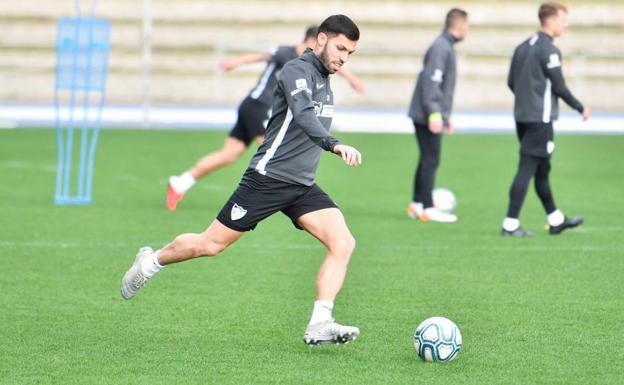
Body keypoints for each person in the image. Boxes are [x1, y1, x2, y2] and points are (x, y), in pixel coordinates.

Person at [122, 15, 363, 346]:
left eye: (350, 53)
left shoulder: (325, 79)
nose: (343, 58)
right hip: (268, 178)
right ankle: (150, 262)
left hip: (302, 186)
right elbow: (305, 116)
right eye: (340, 48)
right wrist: (334, 144)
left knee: (343, 243)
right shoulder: (296, 70)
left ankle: (320, 323)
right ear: (321, 39)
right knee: (210, 244)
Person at [166, 26, 365, 211]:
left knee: (228, 155)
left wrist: (353, 80)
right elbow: (259, 56)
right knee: (280, 152)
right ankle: (312, 200)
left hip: (253, 108)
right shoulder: (287, 54)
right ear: (315, 40)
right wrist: (235, 62)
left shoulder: (313, 64)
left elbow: (336, 65)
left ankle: (180, 182)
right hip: (258, 107)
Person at [502, 2, 589, 237]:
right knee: (527, 167)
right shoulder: (549, 50)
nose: (566, 25)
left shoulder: (521, 47)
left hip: (522, 116)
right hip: (540, 120)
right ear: (550, 20)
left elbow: (512, 82)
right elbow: (559, 86)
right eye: (563, 20)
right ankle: (510, 224)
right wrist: (579, 107)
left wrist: (526, 100)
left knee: (542, 168)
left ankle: (555, 219)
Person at [406, 8, 469, 223]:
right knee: (431, 160)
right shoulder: (441, 47)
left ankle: (416, 204)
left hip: (429, 112)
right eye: (466, 26)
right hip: (426, 113)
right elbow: (431, 83)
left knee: (426, 158)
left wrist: (444, 115)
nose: (467, 30)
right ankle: (426, 207)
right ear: (459, 25)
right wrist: (435, 114)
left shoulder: (444, 46)